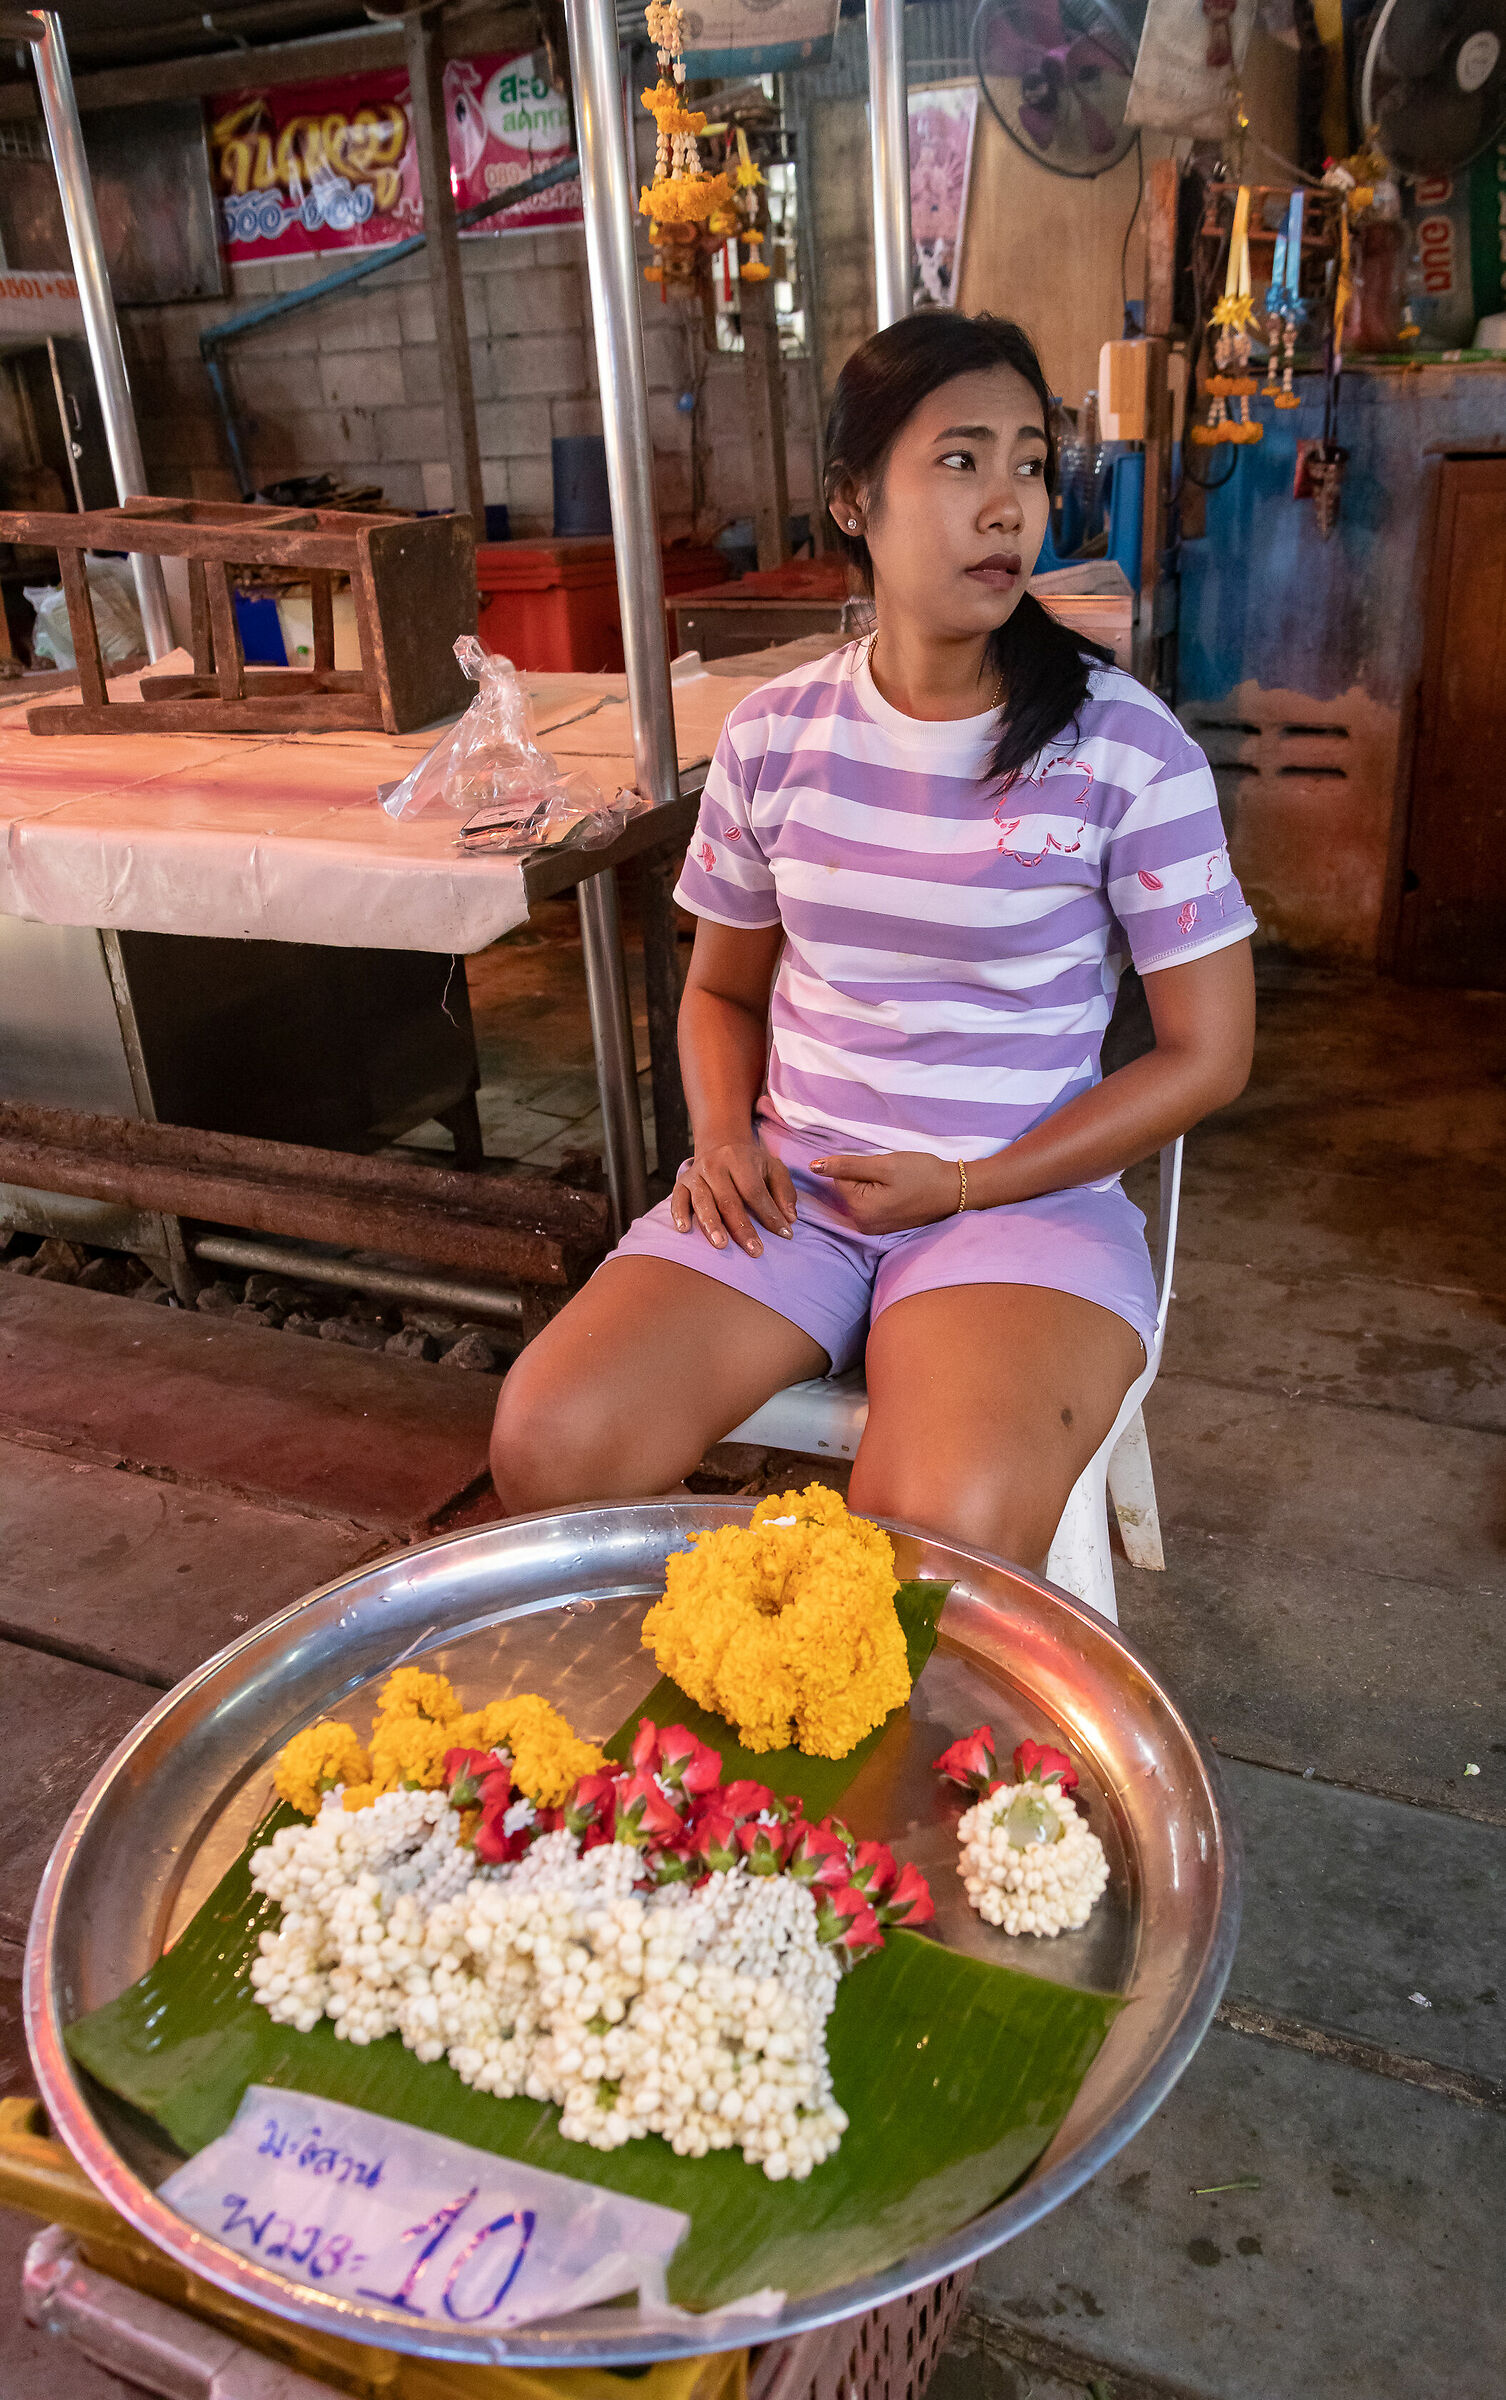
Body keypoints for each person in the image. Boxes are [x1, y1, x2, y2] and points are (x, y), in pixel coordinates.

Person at [492, 311, 1255, 1574]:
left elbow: (1208, 1056)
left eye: (1028, 462)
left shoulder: (1126, 748)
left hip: (1022, 1203)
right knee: (551, 1442)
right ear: (855, 500)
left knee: (931, 1535)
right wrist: (726, 1140)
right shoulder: (773, 735)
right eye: (960, 462)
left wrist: (965, 1185)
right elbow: (721, 994)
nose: (1009, 506)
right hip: (799, 1191)